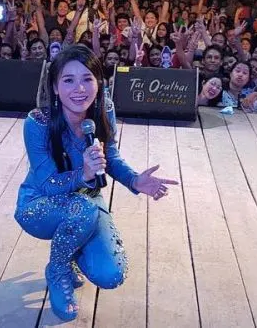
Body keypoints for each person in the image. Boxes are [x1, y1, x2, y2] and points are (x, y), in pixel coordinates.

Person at [14, 45, 177, 321]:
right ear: (54, 87)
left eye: (87, 79)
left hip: (85, 200)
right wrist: (83, 176)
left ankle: (73, 246)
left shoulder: (104, 109)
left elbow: (109, 157)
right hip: (39, 203)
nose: (79, 89)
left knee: (111, 274)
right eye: (68, 80)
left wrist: (134, 180)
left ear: (98, 82)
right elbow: (48, 183)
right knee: (83, 209)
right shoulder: (38, 122)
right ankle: (58, 269)